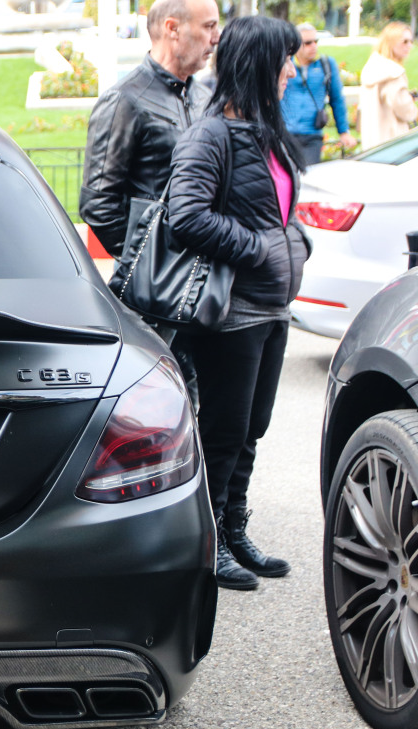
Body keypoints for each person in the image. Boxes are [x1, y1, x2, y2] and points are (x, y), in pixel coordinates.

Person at [166, 16, 310, 591]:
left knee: (253, 427)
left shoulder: (265, 131)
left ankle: (235, 526)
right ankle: (211, 543)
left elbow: (280, 210)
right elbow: (187, 216)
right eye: (284, 59)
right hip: (232, 314)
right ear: (258, 63)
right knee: (224, 431)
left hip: (273, 309)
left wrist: (297, 241)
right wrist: (259, 249)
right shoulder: (212, 135)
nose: (291, 70)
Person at [81, 0, 219, 260]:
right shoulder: (124, 100)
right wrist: (147, 263)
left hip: (203, 272)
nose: (216, 38)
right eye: (209, 26)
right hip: (157, 285)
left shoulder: (204, 96)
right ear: (172, 28)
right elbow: (98, 204)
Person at [280, 23, 354, 165]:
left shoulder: (325, 65)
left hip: (312, 135)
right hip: (285, 134)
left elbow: (337, 99)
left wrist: (343, 131)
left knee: (307, 176)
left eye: (315, 41)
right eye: (307, 43)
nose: (313, 46)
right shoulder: (286, 66)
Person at [359, 22, 417, 150]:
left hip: (372, 143)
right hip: (393, 143)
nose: (409, 46)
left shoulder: (373, 66)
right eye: (404, 42)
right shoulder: (393, 72)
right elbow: (405, 109)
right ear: (391, 42)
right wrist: (413, 109)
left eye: (411, 41)